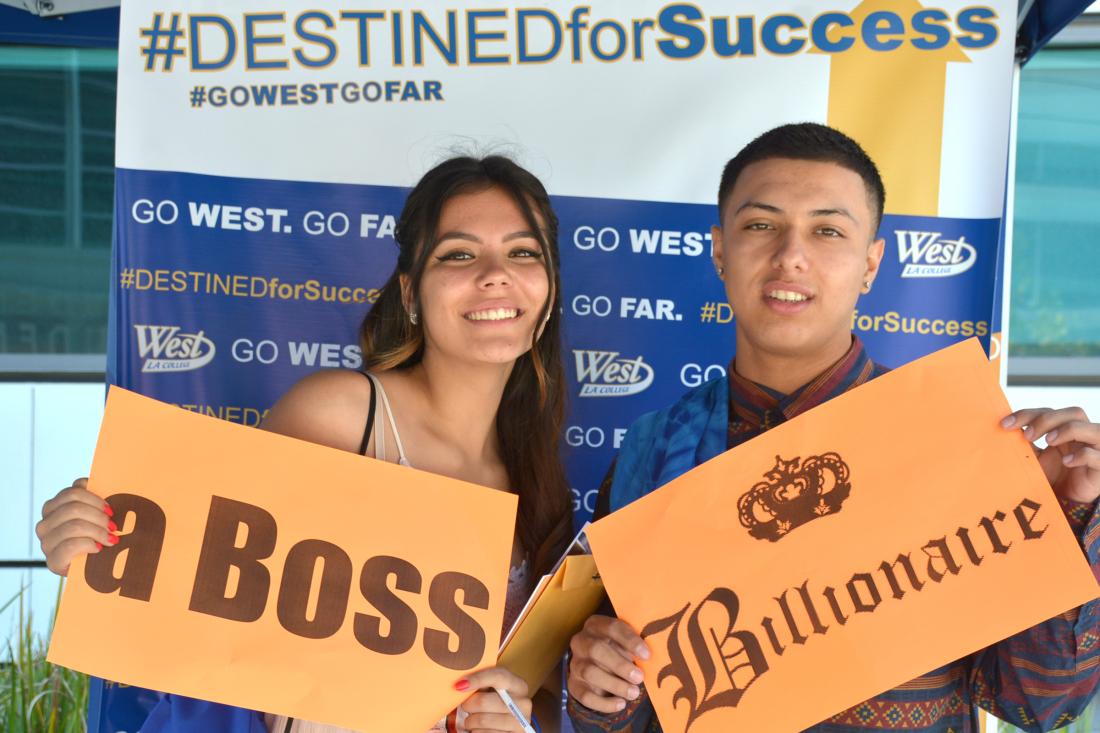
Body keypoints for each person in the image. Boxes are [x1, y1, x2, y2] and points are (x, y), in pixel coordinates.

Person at [565, 123, 1100, 732]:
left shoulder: (953, 439)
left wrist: (1071, 517)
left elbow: (1038, 701)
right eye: (761, 225)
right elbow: (625, 709)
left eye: (828, 230)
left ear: (871, 263)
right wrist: (595, 693)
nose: (791, 255)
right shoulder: (653, 450)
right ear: (719, 251)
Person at [35, 155, 574, 733]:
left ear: (545, 296)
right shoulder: (342, 415)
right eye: (459, 254)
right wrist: (95, 543)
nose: (496, 273)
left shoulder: (539, 482)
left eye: (524, 252)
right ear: (411, 295)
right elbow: (203, 591)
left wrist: (516, 719)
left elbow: (540, 697)